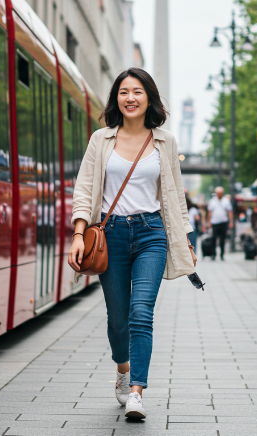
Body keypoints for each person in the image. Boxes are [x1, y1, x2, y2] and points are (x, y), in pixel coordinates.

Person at [67, 67, 196, 420]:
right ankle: (123, 369)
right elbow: (83, 190)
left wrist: (185, 239)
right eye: (124, 91)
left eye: (137, 91)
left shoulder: (164, 141)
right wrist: (79, 234)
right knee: (118, 318)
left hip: (152, 232)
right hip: (111, 235)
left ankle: (137, 390)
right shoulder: (101, 139)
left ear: (149, 97)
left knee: (142, 312)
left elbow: (174, 194)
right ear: (117, 99)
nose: (130, 98)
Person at [206, 187, 233, 260]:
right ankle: (213, 254)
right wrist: (208, 222)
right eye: (218, 193)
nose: (219, 194)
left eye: (220, 193)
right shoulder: (212, 201)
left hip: (223, 222)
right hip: (214, 222)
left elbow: (229, 212)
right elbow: (209, 213)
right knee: (213, 239)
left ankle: (222, 255)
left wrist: (231, 222)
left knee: (222, 239)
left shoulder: (226, 201)